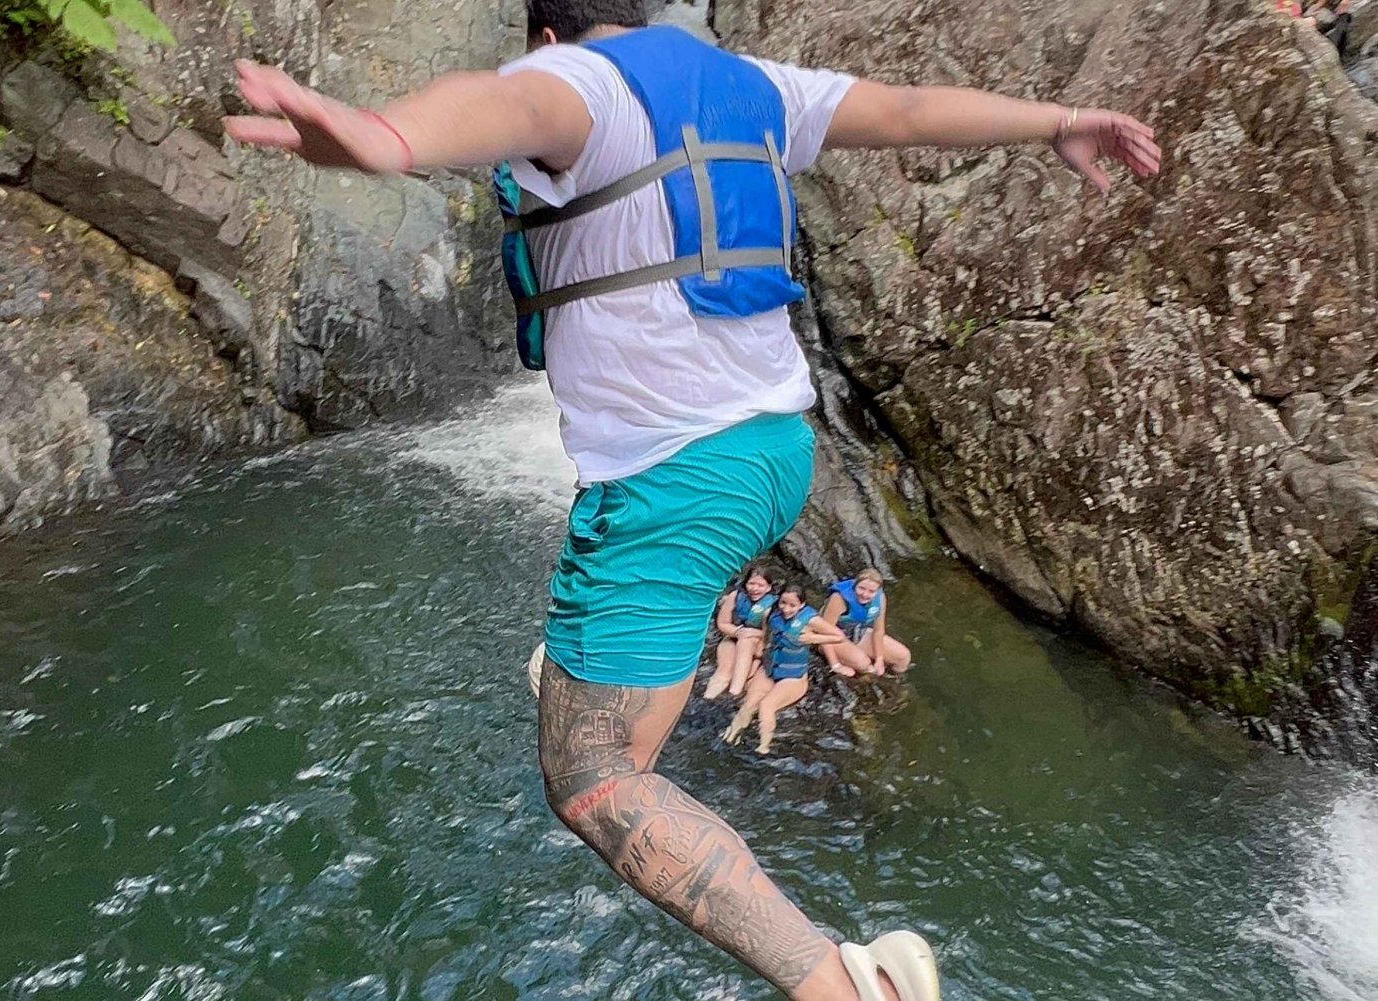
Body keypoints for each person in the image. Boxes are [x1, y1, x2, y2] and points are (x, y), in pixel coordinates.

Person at [222, 0, 1160, 997]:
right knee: (612, 705)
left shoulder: (580, 81)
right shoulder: (751, 85)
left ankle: (847, 986)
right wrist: (1055, 120)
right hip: (774, 454)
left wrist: (387, 134)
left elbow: (499, 102)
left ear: (550, 31)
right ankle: (605, 673)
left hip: (677, 478)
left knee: (589, 777)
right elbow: (909, 108)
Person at [721, 585, 852, 754]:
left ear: (802, 605)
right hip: (771, 668)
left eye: (792, 605)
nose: (786, 609)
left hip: (793, 675)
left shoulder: (810, 619)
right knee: (748, 704)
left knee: (766, 705)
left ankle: (763, 747)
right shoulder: (772, 613)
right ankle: (730, 736)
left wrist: (813, 638)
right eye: (783, 603)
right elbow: (766, 632)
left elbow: (839, 636)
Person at [820, 568, 912, 678]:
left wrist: (879, 659)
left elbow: (878, 630)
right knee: (864, 664)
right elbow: (823, 634)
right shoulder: (839, 599)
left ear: (877, 591)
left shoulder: (880, 598)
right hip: (833, 638)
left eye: (871, 591)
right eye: (861, 588)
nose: (865, 594)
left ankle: (896, 682)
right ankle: (866, 678)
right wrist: (835, 664)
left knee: (903, 657)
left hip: (857, 632)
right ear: (855, 585)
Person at [703, 567, 777, 700]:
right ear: (745, 583)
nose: (755, 588)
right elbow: (723, 623)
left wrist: (753, 633)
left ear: (768, 587)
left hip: (756, 642)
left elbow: (773, 634)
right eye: (751, 583)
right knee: (724, 671)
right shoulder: (735, 596)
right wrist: (738, 632)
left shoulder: (773, 605)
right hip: (733, 637)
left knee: (746, 643)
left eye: (760, 585)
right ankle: (708, 698)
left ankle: (735, 692)